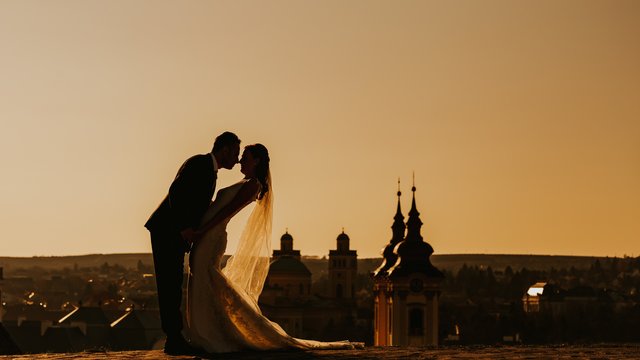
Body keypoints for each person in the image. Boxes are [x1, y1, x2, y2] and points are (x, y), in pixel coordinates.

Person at [185, 144, 362, 353]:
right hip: (207, 236)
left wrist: (201, 230)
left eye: (246, 158)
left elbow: (226, 213)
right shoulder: (246, 182)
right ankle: (204, 333)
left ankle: (210, 335)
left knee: (207, 280)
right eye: (241, 157)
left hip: (210, 236)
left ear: (257, 161)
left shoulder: (253, 185)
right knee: (204, 280)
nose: (241, 161)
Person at [145, 131, 240, 355]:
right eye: (235, 153)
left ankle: (174, 338)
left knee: (173, 283)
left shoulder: (207, 168)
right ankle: (173, 339)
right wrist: (183, 227)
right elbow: (175, 193)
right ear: (224, 149)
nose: (236, 160)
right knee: (169, 284)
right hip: (168, 231)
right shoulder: (200, 164)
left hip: (171, 232)